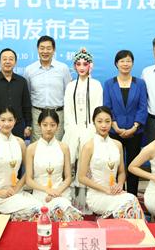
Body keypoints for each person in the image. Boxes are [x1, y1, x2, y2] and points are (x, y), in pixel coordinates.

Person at [0, 107, 42, 221]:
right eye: (3, 120)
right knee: (36, 210)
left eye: (10, 120)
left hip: (17, 192)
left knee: (41, 208)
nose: (6, 124)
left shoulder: (20, 142)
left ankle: (9, 218)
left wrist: (17, 188)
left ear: (15, 121)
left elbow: (29, 171)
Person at [78, 106, 144, 219]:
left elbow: (122, 172)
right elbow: (81, 177)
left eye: (107, 121)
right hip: (97, 196)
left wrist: (120, 185)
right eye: (99, 121)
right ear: (94, 122)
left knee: (132, 199)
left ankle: (117, 225)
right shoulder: (89, 146)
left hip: (115, 192)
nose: (104, 125)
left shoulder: (117, 145)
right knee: (129, 202)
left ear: (111, 123)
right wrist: (105, 190)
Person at [62, 48, 103, 212]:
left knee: (87, 167)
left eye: (85, 64)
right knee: (71, 165)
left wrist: (91, 131)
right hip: (73, 130)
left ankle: (88, 204)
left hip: (90, 130)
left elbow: (98, 109)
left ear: (90, 66)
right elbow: (67, 110)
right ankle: (72, 203)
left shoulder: (96, 85)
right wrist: (72, 130)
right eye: (78, 64)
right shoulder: (70, 86)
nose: (81, 67)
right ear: (74, 66)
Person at [103, 50, 148, 196]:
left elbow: (142, 107)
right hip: (114, 132)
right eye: (122, 61)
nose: (125, 64)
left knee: (133, 165)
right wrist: (115, 126)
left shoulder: (140, 83)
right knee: (115, 165)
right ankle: (117, 195)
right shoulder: (109, 84)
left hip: (135, 132)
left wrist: (135, 127)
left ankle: (132, 196)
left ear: (132, 63)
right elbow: (107, 107)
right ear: (116, 63)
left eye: (128, 61)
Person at [25, 109, 83, 222]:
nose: (48, 128)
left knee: (64, 212)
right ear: (39, 125)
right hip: (40, 194)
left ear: (57, 126)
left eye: (52, 125)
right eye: (45, 125)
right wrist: (47, 190)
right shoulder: (31, 148)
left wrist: (57, 191)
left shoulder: (64, 147)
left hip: (60, 192)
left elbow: (68, 177)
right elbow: (28, 180)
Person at [24, 36, 72, 141]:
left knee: (57, 146)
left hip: (58, 114)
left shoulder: (63, 68)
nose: (45, 51)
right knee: (37, 147)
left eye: (48, 48)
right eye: (42, 48)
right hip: (37, 114)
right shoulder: (29, 70)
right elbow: (27, 94)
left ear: (54, 50)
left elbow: (69, 93)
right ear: (37, 49)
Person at [0, 48, 32, 140]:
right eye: (4, 59)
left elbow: (26, 105)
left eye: (11, 59)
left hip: (18, 126)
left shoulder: (22, 81)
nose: (7, 62)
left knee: (18, 149)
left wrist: (28, 125)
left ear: (15, 62)